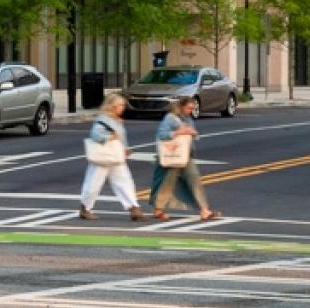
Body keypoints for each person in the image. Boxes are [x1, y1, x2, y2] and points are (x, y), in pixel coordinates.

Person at [148, 95, 218, 221]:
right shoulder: (170, 118)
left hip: (185, 155)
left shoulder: (188, 119)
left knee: (194, 179)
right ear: (181, 107)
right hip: (171, 156)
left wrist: (193, 133)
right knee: (167, 182)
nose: (190, 111)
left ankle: (204, 210)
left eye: (192, 108)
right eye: (188, 108)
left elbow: (194, 135)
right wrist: (178, 132)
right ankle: (158, 209)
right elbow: (162, 134)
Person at [78, 93, 145, 221]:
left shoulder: (116, 120)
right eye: (120, 105)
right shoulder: (103, 120)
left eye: (123, 105)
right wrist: (109, 136)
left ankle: (133, 208)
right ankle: (85, 208)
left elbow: (120, 138)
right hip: (103, 157)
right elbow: (95, 134)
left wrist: (125, 149)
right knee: (93, 183)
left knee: (125, 181)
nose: (122, 108)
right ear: (112, 106)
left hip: (116, 156)